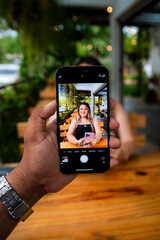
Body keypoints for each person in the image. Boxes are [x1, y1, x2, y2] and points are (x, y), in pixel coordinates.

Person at [0, 100, 120, 239]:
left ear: (87, 110)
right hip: (75, 149)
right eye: (80, 109)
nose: (82, 111)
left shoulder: (93, 120)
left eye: (85, 109)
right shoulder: (74, 120)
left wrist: (94, 140)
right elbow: (69, 135)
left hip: (92, 149)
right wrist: (77, 142)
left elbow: (99, 134)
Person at [76, 56, 136, 162]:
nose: (86, 82)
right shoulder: (61, 110)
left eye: (91, 77)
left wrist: (122, 152)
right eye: (81, 77)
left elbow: (130, 142)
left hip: (108, 169)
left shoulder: (114, 106)